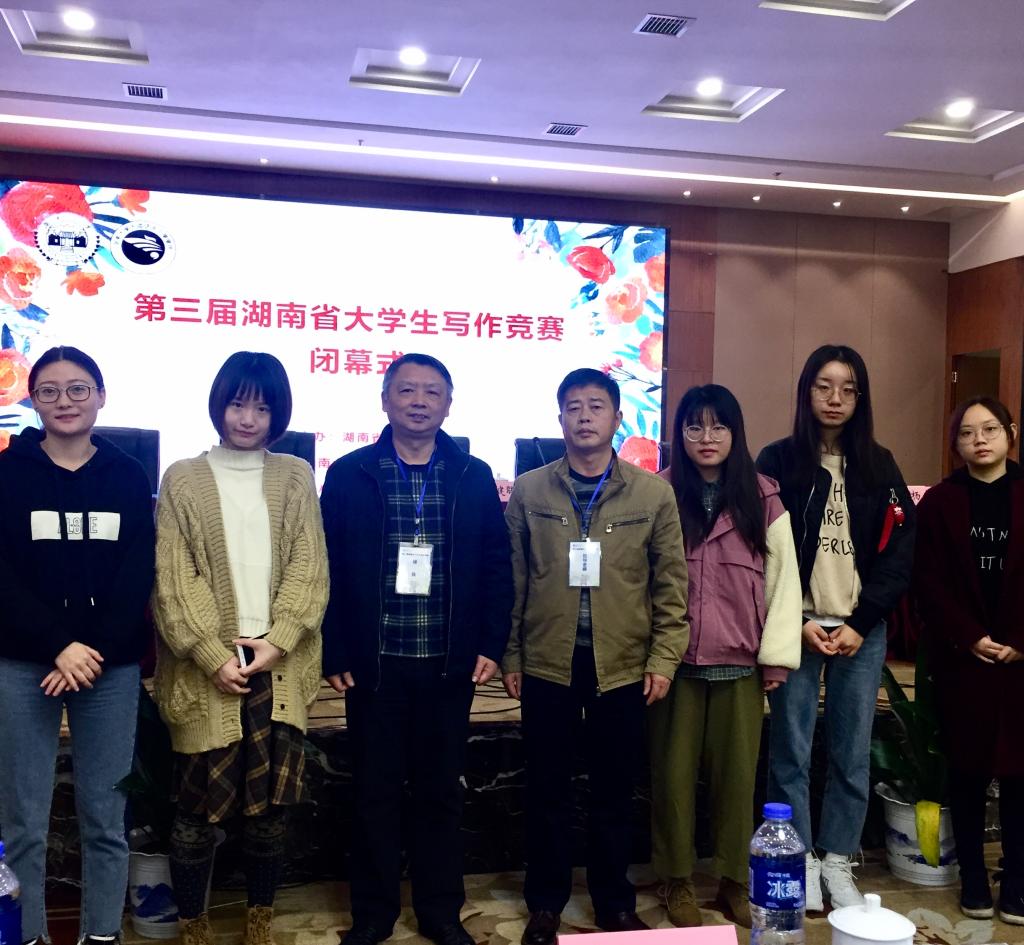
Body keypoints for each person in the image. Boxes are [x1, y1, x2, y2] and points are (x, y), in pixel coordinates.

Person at [320, 353, 513, 945]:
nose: (419, 401)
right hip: (374, 666)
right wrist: (335, 650)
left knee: (441, 794)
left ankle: (440, 911)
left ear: (449, 404)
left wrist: (491, 643)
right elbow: (325, 569)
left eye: (432, 391)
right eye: (406, 390)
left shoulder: (472, 475)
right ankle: (373, 914)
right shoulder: (350, 473)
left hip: (449, 664)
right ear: (385, 400)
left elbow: (496, 565)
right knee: (374, 794)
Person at [502, 367, 689, 945]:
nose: (584, 417)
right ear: (560, 417)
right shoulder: (530, 490)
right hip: (546, 662)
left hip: (624, 665)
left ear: (617, 418)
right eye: (573, 407)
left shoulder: (653, 493)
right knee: (547, 791)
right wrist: (511, 654)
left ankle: (614, 902)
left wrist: (663, 658)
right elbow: (512, 580)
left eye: (596, 406)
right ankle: (545, 905)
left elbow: (671, 586)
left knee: (614, 790)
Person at [152, 352, 328, 945]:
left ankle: (259, 924)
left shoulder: (295, 475)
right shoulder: (182, 477)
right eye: (237, 404)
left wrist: (279, 641)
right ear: (218, 405)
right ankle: (193, 927)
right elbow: (174, 578)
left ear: (279, 414)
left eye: (262, 407)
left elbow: (310, 565)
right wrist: (211, 655)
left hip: (278, 668)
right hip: (208, 670)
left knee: (270, 815)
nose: (248, 418)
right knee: (194, 815)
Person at [0, 346, 155, 945]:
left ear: (101, 396)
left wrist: (88, 651)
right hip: (23, 664)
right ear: (33, 401)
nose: (64, 401)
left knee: (105, 820)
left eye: (78, 389)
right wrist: (58, 644)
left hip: (107, 669)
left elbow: (135, 576)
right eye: (49, 391)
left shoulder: (127, 474)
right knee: (24, 822)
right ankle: (26, 935)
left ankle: (102, 936)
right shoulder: (9, 473)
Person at [756, 344, 915, 911]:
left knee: (851, 753)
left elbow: (901, 550)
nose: (835, 399)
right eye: (824, 386)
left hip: (858, 632)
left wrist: (863, 621)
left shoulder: (880, 464)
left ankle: (838, 859)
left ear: (860, 398)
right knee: (790, 751)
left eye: (848, 389)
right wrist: (794, 620)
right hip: (794, 627)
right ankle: (797, 858)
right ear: (806, 391)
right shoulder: (778, 460)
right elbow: (761, 549)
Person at [648, 385, 801, 929]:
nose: (706, 437)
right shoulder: (659, 492)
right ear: (680, 433)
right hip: (675, 667)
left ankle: (735, 878)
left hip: (740, 665)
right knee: (672, 780)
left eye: (718, 426)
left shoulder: (763, 496)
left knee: (737, 783)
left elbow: (784, 582)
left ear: (736, 433)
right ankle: (677, 879)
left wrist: (775, 659)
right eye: (694, 426)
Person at [914, 396, 1024, 924]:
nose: (979, 440)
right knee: (968, 771)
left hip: (1021, 661)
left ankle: (1018, 881)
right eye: (966, 433)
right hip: (964, 659)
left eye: (990, 429)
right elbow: (927, 581)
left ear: (1010, 433)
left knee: (1021, 775)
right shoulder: (940, 502)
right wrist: (969, 636)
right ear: (955, 443)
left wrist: (1021, 639)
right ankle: (974, 879)